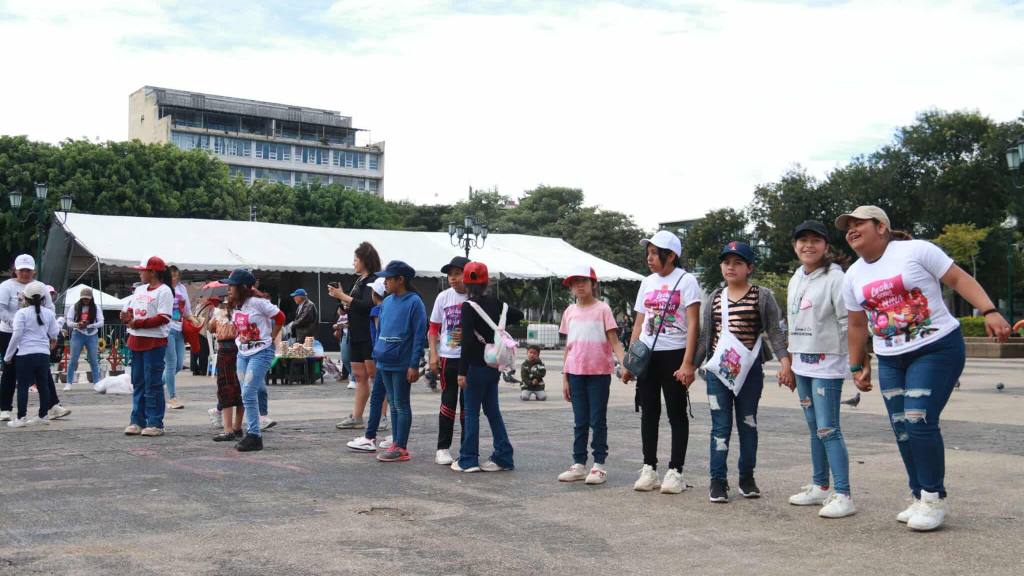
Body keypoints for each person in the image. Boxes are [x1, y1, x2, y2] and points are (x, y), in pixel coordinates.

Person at [837, 206, 1010, 531]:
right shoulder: (853, 275)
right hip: (891, 357)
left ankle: (933, 498)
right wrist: (857, 363)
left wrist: (988, 310)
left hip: (936, 349)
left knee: (919, 418)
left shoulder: (916, 251)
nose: (851, 230)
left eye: (859, 223)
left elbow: (959, 278)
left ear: (882, 227)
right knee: (902, 427)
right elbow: (857, 325)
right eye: (847, 227)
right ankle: (918, 495)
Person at [696, 241, 793, 503]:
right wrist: (689, 366)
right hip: (718, 374)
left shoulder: (762, 296)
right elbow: (706, 336)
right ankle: (717, 481)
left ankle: (746, 478)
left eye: (738, 262)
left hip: (750, 373)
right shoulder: (714, 298)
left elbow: (774, 331)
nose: (731, 267)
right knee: (720, 427)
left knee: (748, 424)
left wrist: (785, 361)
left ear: (749, 267)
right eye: (727, 262)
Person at [621, 230, 703, 495]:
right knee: (649, 412)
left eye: (655, 253)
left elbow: (693, 324)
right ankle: (649, 468)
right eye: (648, 253)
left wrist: (688, 363)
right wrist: (628, 361)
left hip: (675, 353)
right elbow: (638, 322)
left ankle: (675, 471)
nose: (650, 258)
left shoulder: (687, 281)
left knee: (676, 413)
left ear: (672, 256)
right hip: (648, 354)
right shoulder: (647, 282)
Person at [786, 220, 856, 518]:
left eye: (815, 240)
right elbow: (793, 322)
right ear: (795, 245)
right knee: (814, 428)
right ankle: (821, 486)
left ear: (826, 245)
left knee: (828, 428)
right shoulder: (796, 278)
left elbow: (848, 321)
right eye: (802, 240)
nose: (808, 246)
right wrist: (788, 361)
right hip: (801, 361)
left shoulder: (835, 278)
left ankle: (844, 494)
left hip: (827, 363)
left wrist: (856, 362)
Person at [557, 266, 626, 485]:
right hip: (576, 372)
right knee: (580, 421)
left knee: (597, 420)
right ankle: (578, 464)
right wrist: (565, 377)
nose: (579, 285)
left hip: (598, 373)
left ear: (593, 284)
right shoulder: (569, 312)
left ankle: (598, 465)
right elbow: (568, 347)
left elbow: (614, 341)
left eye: (583, 281)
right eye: (574, 282)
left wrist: (625, 365)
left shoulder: (603, 309)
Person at [452, 261, 522, 473]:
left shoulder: (468, 306)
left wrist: (461, 372)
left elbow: (466, 341)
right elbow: (518, 315)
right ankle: (504, 456)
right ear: (487, 281)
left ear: (466, 282)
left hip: (473, 366)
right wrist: (499, 326)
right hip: (493, 365)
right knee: (493, 411)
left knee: (471, 412)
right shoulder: (498, 304)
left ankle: (469, 459)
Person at [222, 268, 285, 452]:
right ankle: (253, 433)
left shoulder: (258, 303)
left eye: (231, 286)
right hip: (242, 353)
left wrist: (272, 337)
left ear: (242, 287)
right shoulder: (236, 304)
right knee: (246, 393)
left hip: (261, 352)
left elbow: (280, 317)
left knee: (248, 393)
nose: (228, 289)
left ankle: (254, 435)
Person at [371, 261, 427, 462]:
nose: (384, 282)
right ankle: (396, 442)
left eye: (388, 278)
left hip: (402, 362)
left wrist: (414, 364)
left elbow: (420, 335)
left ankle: (401, 446)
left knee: (401, 403)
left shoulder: (414, 302)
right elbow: (380, 331)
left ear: (400, 279)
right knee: (393, 403)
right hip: (384, 359)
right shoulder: (386, 302)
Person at [0, 255, 61, 422]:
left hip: (34, 334)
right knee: (10, 369)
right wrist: (15, 323)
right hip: (9, 331)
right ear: (15, 270)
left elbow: (49, 308)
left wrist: (50, 332)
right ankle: (5, 407)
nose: (25, 273)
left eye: (28, 270)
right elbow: (1, 308)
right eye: (21, 270)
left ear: (34, 271)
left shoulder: (40, 286)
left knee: (42, 371)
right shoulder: (6, 286)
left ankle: (52, 404)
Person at [328, 242, 382, 429]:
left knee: (375, 376)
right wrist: (341, 300)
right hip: (355, 332)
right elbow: (352, 305)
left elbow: (368, 305)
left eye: (356, 260)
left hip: (369, 334)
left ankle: (382, 417)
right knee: (359, 376)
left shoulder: (374, 281)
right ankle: (357, 416)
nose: (353, 263)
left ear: (365, 261)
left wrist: (343, 297)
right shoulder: (358, 281)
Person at [121, 256, 174, 437]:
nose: (140, 273)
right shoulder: (140, 289)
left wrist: (139, 323)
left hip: (154, 341)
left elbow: (164, 317)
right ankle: (137, 420)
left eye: (142, 270)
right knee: (138, 382)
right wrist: (127, 316)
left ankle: (155, 421)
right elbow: (132, 308)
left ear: (152, 272)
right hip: (136, 339)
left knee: (153, 382)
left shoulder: (165, 291)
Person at [428, 256, 470, 466]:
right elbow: (434, 328)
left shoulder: (475, 297)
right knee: (448, 401)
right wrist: (433, 354)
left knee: (468, 404)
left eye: (457, 273)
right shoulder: (443, 297)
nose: (453, 278)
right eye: (450, 274)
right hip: (448, 357)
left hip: (470, 359)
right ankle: (443, 448)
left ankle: (467, 448)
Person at [347, 277, 394, 453]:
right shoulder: (389, 307)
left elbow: (379, 334)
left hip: (382, 356)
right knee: (390, 398)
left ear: (375, 294)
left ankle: (372, 437)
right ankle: (384, 436)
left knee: (385, 397)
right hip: (388, 356)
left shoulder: (377, 310)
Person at [207, 300, 243, 441]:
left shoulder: (237, 313)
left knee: (232, 387)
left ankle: (232, 428)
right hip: (232, 350)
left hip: (234, 350)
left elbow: (210, 328)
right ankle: (234, 428)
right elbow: (210, 328)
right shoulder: (220, 314)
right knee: (233, 387)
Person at [164, 265, 196, 409]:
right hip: (166, 329)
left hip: (179, 328)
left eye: (176, 274)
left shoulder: (182, 289)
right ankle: (172, 398)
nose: (174, 277)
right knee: (171, 363)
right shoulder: (163, 288)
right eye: (172, 274)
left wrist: (194, 320)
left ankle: (154, 385)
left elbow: (187, 310)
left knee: (178, 365)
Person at [65, 286, 104, 392]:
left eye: (87, 298)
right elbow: (68, 321)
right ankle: (68, 383)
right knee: (73, 359)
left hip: (92, 335)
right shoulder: (74, 307)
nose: (85, 300)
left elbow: (101, 322)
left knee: (93, 359)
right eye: (84, 298)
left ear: (91, 298)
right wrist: (78, 325)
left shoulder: (96, 307)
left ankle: (96, 382)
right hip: (78, 333)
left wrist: (89, 325)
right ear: (81, 298)